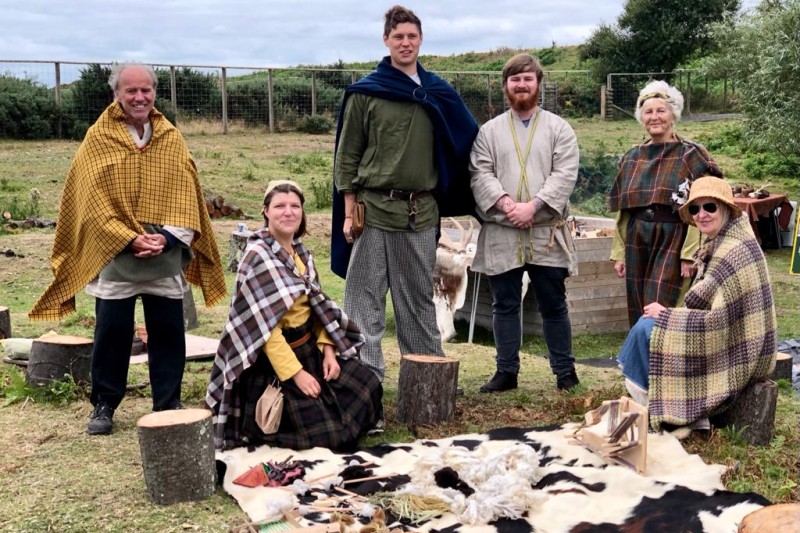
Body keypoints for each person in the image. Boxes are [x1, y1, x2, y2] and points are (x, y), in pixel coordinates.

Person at [29, 62, 227, 435]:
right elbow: (90, 201)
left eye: (146, 90)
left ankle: (167, 402)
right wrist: (128, 238)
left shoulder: (169, 136)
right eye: (131, 91)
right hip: (115, 253)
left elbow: (188, 197)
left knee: (169, 332)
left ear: (154, 93)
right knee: (112, 332)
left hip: (164, 251)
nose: (139, 97)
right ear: (116, 94)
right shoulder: (98, 137)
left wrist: (167, 238)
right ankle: (104, 403)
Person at [331, 5, 478, 386]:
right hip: (374, 210)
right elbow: (347, 156)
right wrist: (349, 212)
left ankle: (426, 386)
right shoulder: (367, 92)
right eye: (398, 37)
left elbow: (466, 138)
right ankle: (365, 391)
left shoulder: (436, 92)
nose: (405, 43)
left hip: (420, 212)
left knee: (417, 305)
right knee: (363, 303)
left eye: (412, 36)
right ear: (386, 41)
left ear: (421, 40)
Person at [207, 181, 383, 451]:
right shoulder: (257, 257)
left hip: (310, 349)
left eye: (294, 206)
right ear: (266, 211)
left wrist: (327, 350)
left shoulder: (301, 253)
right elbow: (265, 332)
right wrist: (296, 374)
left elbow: (318, 307)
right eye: (279, 206)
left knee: (367, 384)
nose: (288, 212)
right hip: (274, 364)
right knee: (325, 433)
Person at [617, 176, 776, 433]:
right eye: (695, 208)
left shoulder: (735, 250)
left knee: (648, 329)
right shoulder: (721, 240)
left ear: (725, 208)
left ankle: (676, 414)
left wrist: (668, 317)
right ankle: (660, 407)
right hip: (726, 334)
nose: (701, 214)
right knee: (646, 324)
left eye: (709, 207)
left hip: (737, 346)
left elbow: (721, 320)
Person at [469, 53, 581, 393]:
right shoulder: (488, 132)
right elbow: (480, 171)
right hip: (503, 230)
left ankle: (565, 371)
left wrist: (533, 207)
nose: (521, 85)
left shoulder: (559, 129)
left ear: (538, 84)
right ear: (506, 86)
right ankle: (506, 372)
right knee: (504, 303)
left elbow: (564, 173)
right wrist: (507, 205)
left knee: (553, 303)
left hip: (546, 230)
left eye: (527, 79)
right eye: (514, 79)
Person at [608, 80, 723, 327]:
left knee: (661, 308)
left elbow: (702, 208)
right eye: (648, 112)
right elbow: (624, 212)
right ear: (641, 117)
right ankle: (643, 363)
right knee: (638, 306)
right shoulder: (631, 158)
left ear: (673, 114)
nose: (654, 117)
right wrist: (620, 253)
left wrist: (690, 254)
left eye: (661, 110)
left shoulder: (691, 154)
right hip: (637, 238)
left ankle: (666, 360)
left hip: (674, 237)